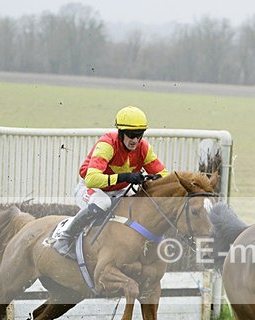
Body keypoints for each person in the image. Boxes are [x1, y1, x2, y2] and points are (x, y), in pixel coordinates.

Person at [51, 106, 169, 255]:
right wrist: (125, 176)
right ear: (120, 132)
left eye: (139, 135)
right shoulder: (107, 144)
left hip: (118, 190)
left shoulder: (144, 148)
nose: (135, 140)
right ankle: (65, 238)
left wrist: (156, 179)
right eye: (131, 134)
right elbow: (92, 179)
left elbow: (165, 176)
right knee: (103, 203)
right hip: (91, 188)